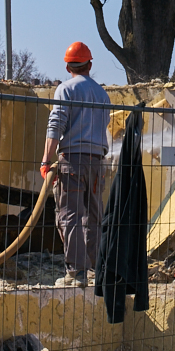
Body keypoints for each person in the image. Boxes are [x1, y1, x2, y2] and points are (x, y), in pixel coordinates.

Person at [40, 41, 111, 287]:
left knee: (69, 215)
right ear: (90, 64)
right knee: (93, 216)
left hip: (71, 161)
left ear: (68, 66)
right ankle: (93, 271)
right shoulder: (102, 94)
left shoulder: (65, 89)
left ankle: (76, 273)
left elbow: (55, 126)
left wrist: (46, 160)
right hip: (97, 163)